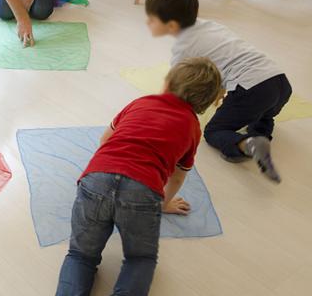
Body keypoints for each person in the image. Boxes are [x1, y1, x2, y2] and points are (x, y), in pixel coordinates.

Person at [56, 58, 223, 296]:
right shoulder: (192, 127)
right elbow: (178, 177)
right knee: (140, 259)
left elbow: (105, 140)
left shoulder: (140, 102)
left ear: (167, 84)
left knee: (80, 255)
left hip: (96, 179)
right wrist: (163, 203)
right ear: (203, 103)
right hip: (142, 192)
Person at [145, 0, 292, 183]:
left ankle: (246, 145)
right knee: (261, 113)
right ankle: (261, 134)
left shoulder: (183, 47)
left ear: (171, 25)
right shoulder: (212, 25)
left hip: (251, 89)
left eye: (151, 19)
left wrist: (155, 111)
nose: (148, 23)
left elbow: (173, 85)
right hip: (279, 82)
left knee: (214, 131)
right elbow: (227, 55)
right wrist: (221, 88)